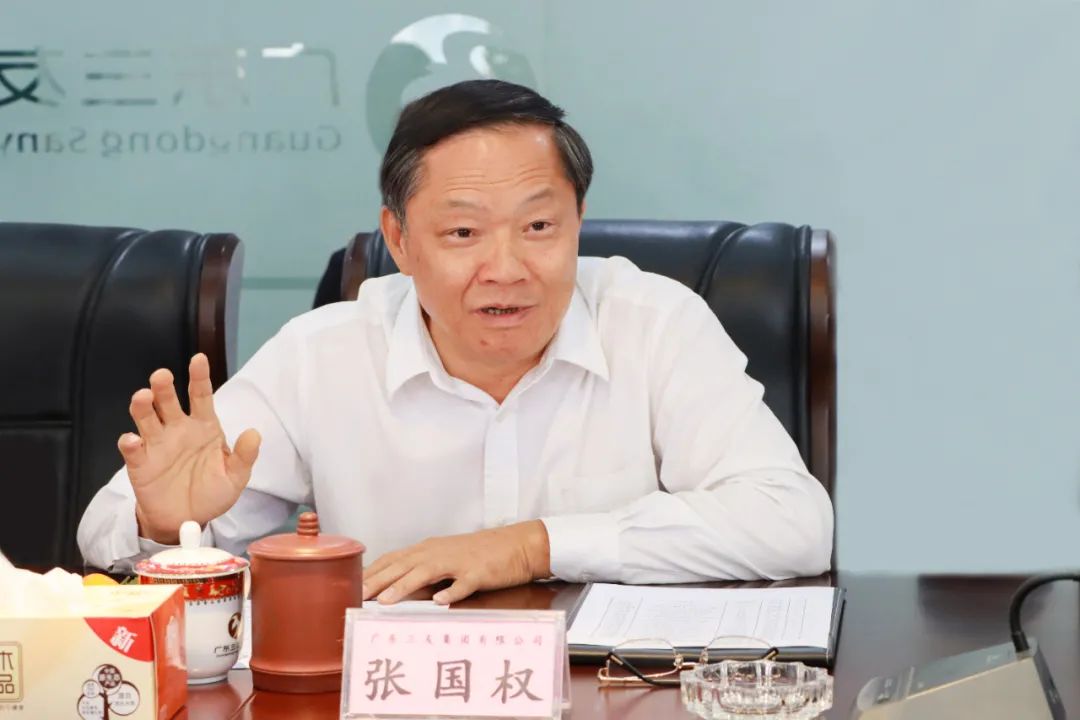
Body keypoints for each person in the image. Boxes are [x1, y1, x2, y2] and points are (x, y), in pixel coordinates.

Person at [78, 79, 833, 605]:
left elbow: (792, 523)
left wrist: (532, 545)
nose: (506, 268)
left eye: (539, 226)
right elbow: (107, 532)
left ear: (578, 222)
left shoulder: (655, 323)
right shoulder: (324, 354)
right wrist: (163, 525)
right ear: (399, 240)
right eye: (464, 233)